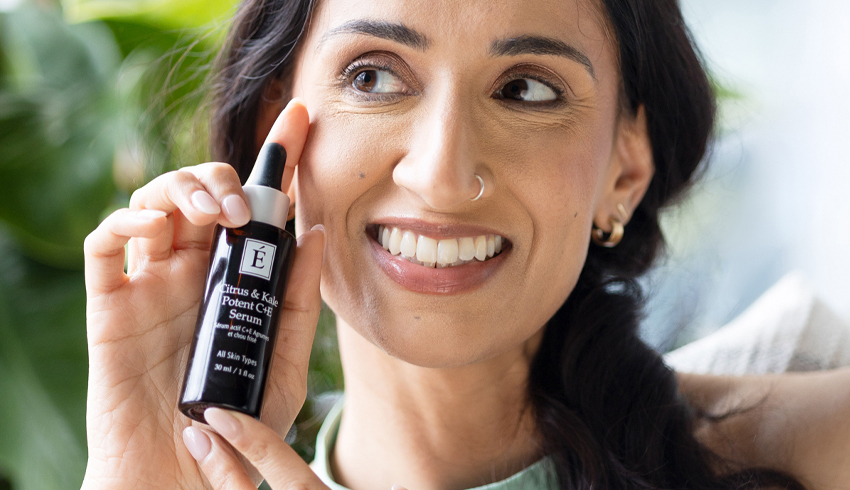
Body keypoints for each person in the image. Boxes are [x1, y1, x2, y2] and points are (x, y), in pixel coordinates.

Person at [80, 0, 850, 489]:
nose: (442, 176)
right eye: (374, 77)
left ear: (624, 169)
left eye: (526, 89)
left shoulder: (821, 448)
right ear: (272, 132)